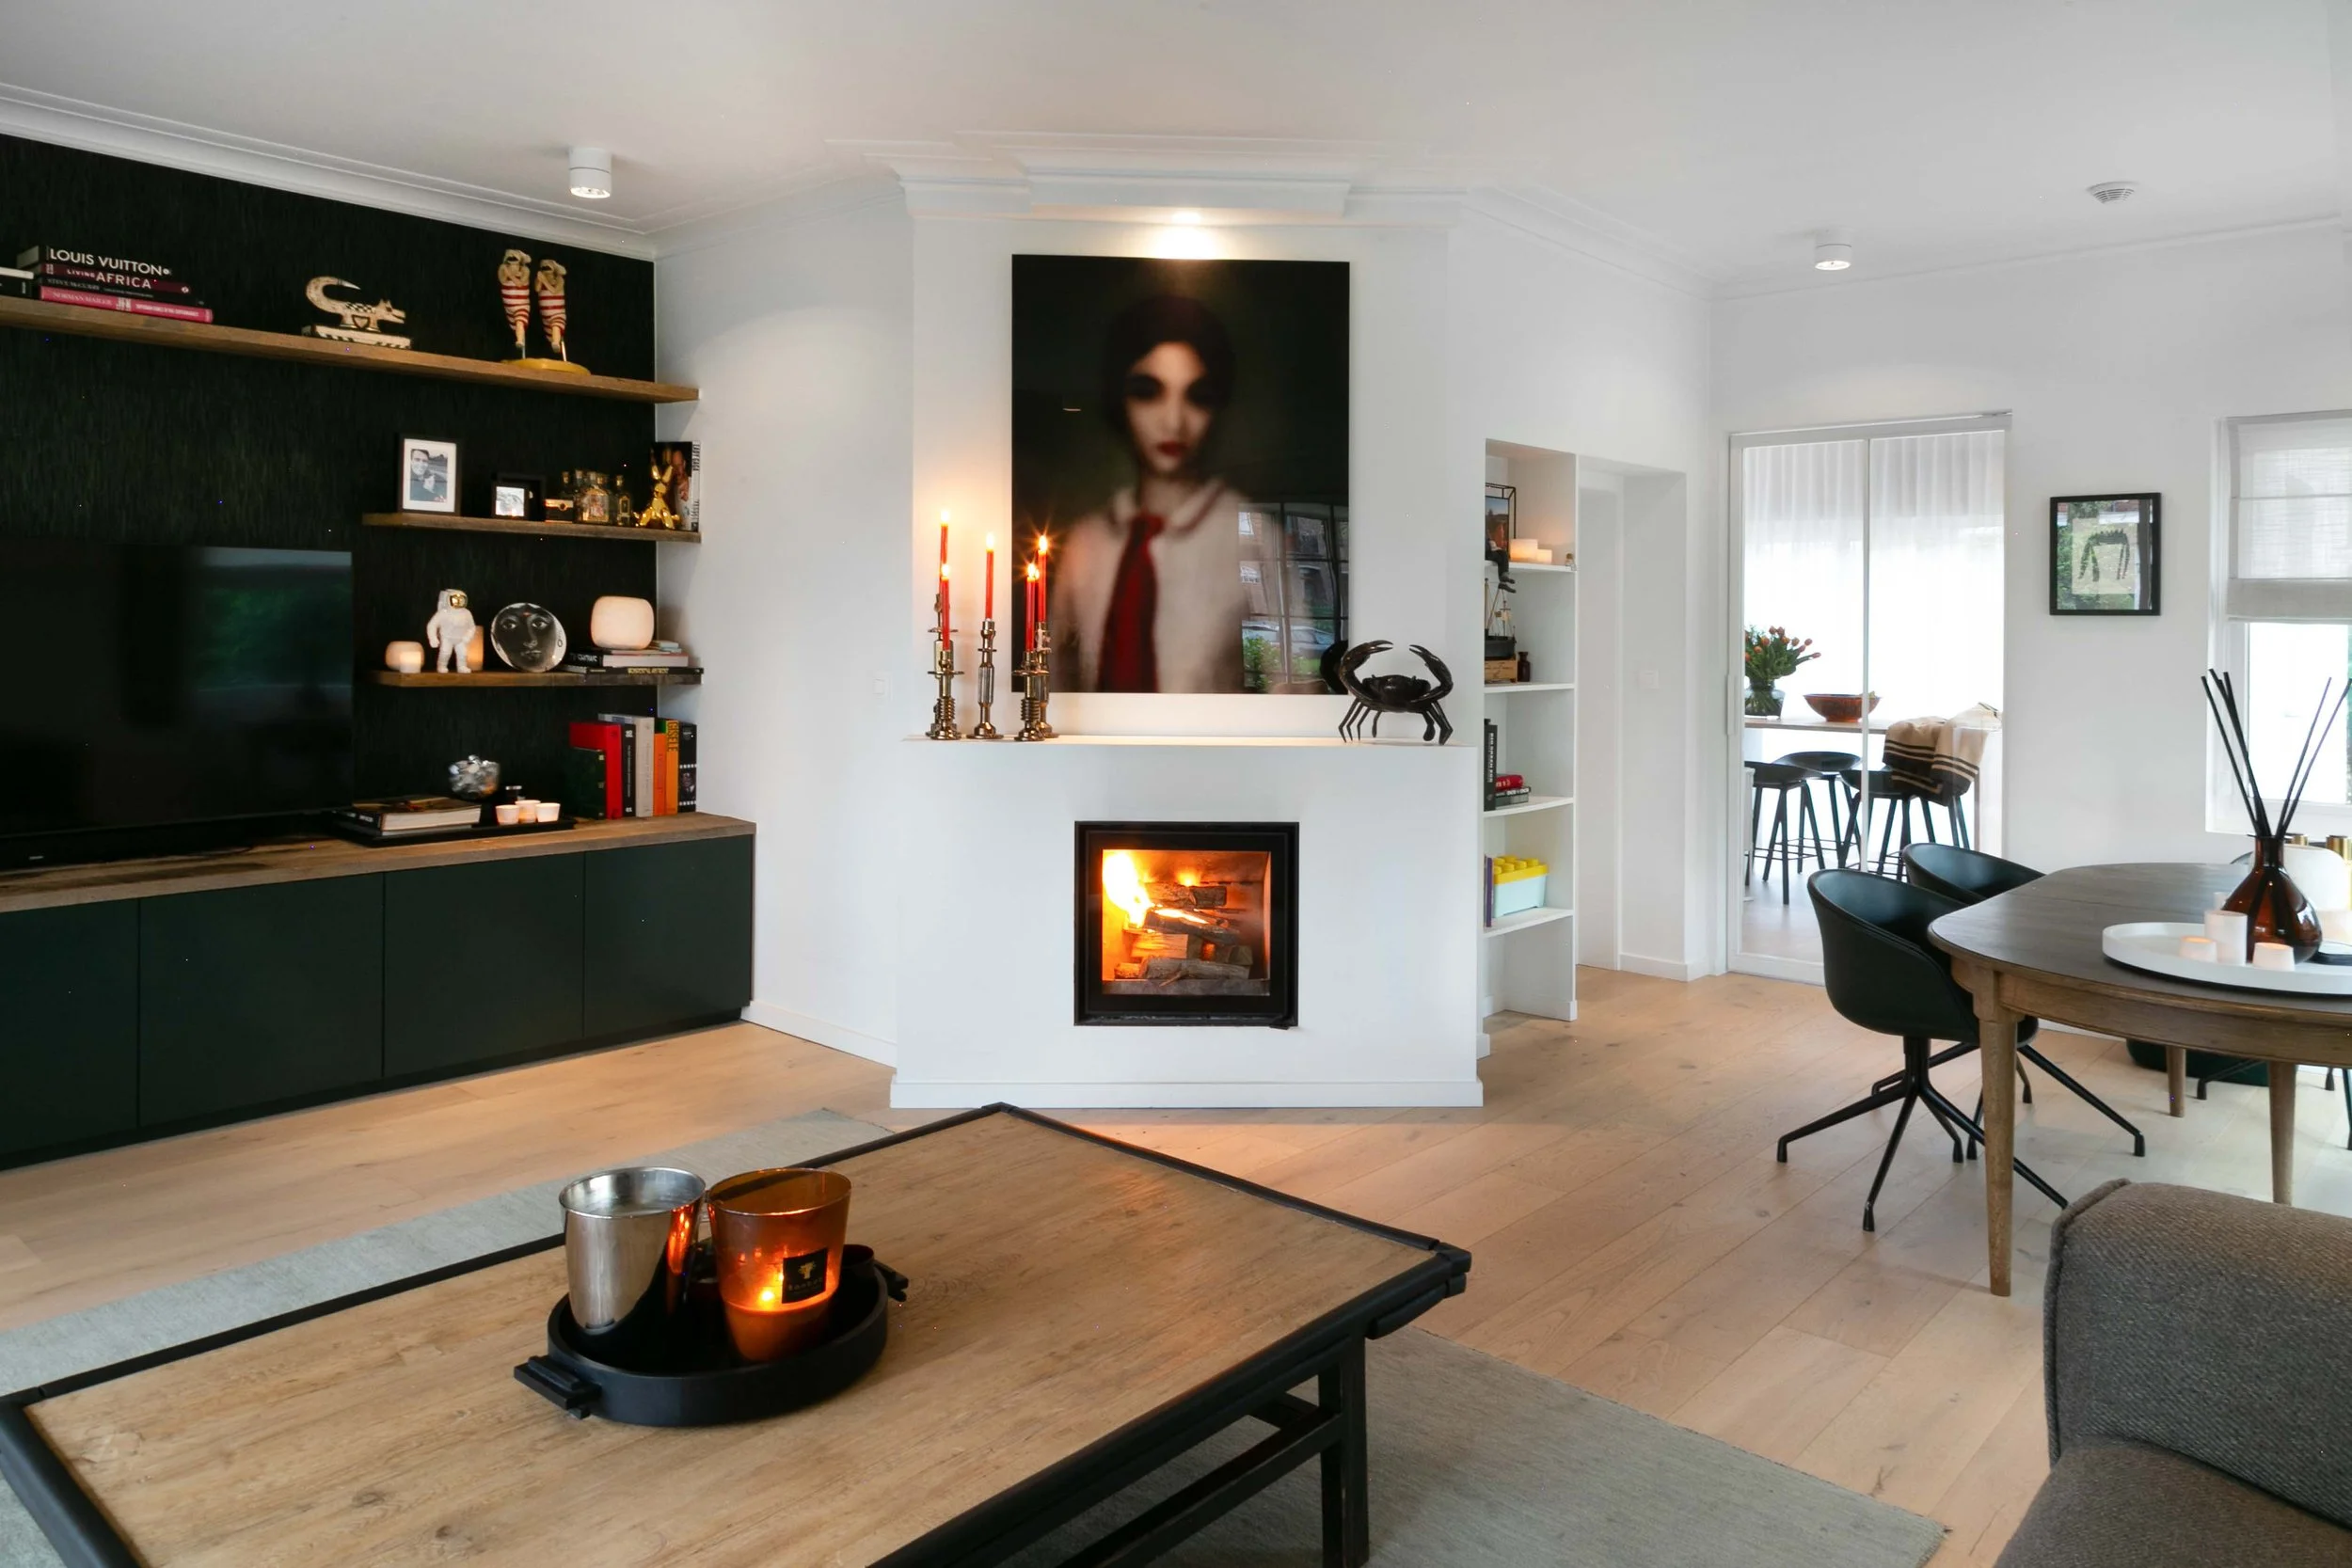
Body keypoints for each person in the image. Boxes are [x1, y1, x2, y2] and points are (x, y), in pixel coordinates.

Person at [1050, 294, 1249, 692]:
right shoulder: (1084, 543)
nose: (1173, 420)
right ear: (1119, 400)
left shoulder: (1249, 537)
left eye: (1197, 396)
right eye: (1148, 391)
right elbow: (1054, 680)